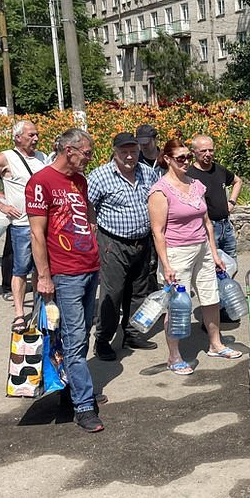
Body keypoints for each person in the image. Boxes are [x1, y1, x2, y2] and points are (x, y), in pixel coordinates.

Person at [25, 128, 104, 433]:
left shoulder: (79, 181)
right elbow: (36, 234)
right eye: (86, 153)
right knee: (72, 340)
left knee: (82, 334)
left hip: (89, 266)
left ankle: (73, 391)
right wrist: (44, 277)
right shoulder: (41, 182)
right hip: (65, 273)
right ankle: (83, 406)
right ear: (69, 150)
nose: (89, 159)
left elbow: (86, 214)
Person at [148, 139, 241, 376]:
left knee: (211, 297)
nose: (186, 162)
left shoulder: (197, 185)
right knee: (177, 306)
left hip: (202, 249)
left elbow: (207, 222)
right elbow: (158, 232)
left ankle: (216, 344)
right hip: (177, 252)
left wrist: (213, 253)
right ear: (167, 159)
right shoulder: (160, 190)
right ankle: (174, 356)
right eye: (180, 158)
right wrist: (166, 264)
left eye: (188, 157)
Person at [87, 132, 158, 361]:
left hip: (143, 242)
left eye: (133, 151)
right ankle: (103, 340)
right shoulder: (100, 176)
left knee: (139, 291)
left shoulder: (147, 172)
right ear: (115, 152)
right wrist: (93, 230)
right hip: (113, 243)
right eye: (124, 152)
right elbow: (88, 205)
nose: (129, 156)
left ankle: (132, 333)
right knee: (113, 292)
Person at [0, 120, 47, 331]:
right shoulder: (6, 157)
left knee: (40, 268)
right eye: (31, 135)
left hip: (43, 223)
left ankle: (39, 311)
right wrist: (0, 203)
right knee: (21, 269)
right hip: (22, 224)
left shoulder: (41, 157)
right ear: (18, 137)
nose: (36, 139)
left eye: (36, 134)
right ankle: (19, 314)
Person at [186, 134, 242, 260]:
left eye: (210, 150)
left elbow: (237, 181)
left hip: (226, 226)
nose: (208, 154)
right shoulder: (189, 175)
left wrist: (232, 201)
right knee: (213, 265)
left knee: (232, 263)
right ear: (194, 152)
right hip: (206, 227)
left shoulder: (219, 169)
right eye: (203, 151)